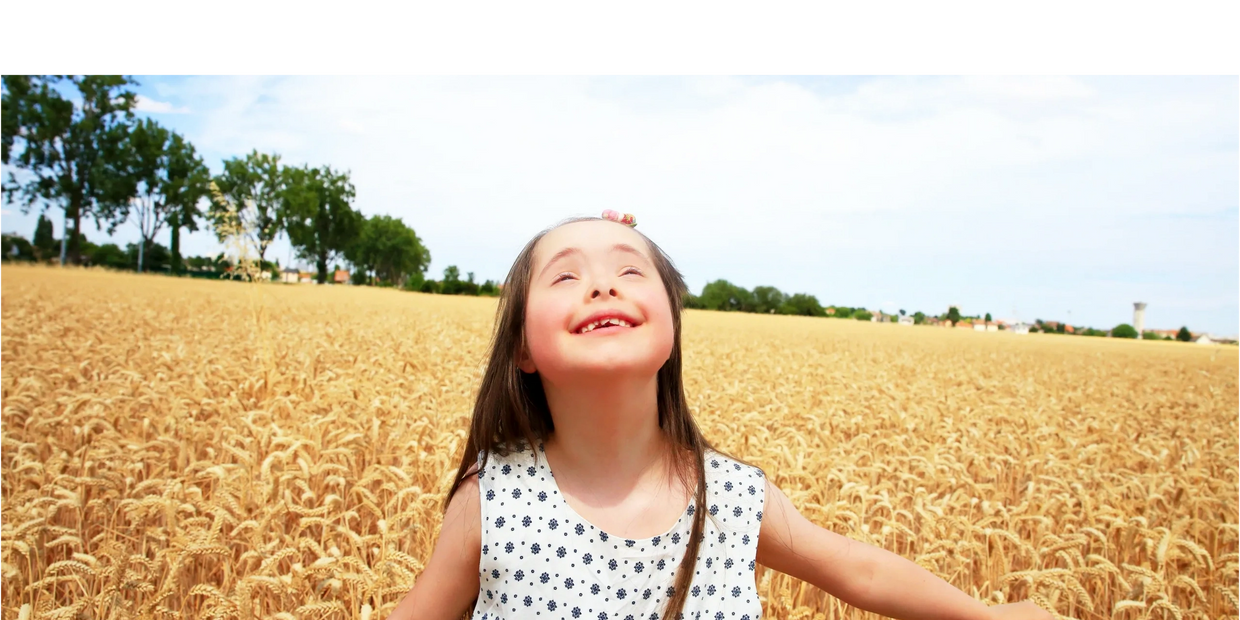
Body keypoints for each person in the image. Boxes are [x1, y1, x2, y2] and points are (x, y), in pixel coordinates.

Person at [388, 212, 1052, 620]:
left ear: (673, 321)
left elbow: (861, 571)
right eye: (565, 277)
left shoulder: (732, 498)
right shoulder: (494, 496)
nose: (602, 283)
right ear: (524, 350)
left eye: (630, 270)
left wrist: (985, 615)